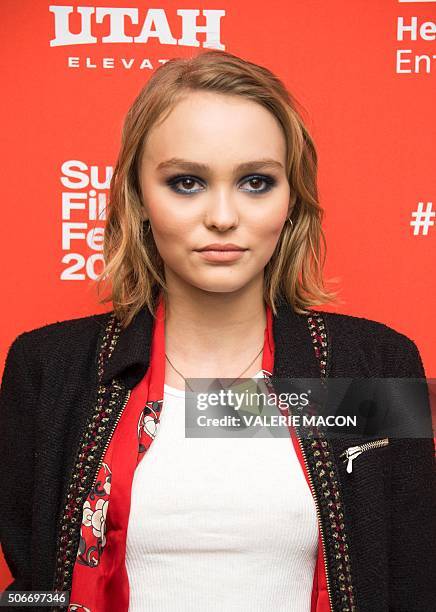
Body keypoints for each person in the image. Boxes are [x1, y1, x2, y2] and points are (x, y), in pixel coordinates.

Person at [0, 50, 434, 612]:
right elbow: (33, 586)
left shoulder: (373, 362)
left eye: (256, 181)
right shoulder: (49, 367)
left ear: (292, 198)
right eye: (186, 182)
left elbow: (414, 576)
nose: (224, 215)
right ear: (138, 198)